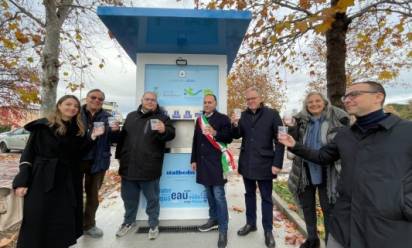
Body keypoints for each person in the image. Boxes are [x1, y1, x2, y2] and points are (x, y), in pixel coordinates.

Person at [278, 81, 412, 248]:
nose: (347, 99)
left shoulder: (406, 132)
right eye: (345, 96)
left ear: (378, 97)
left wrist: (401, 206)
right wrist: (295, 145)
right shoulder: (345, 135)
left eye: (354, 94)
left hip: (387, 231)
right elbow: (321, 156)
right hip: (343, 226)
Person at [12, 95, 104, 248]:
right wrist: (22, 180)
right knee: (37, 216)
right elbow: (28, 154)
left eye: (75, 106)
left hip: (68, 180)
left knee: (62, 218)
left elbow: (78, 153)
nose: (72, 108)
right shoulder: (42, 126)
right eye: (68, 104)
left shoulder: (77, 129)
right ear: (59, 106)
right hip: (42, 178)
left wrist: (92, 137)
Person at [286, 92, 349, 248]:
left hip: (328, 171)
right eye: (310, 102)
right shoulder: (300, 121)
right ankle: (312, 239)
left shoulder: (337, 119)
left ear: (324, 102)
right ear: (306, 105)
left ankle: (330, 242)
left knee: (329, 210)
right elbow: (293, 144)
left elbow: (339, 148)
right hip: (305, 171)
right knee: (307, 207)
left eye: (317, 101)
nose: (314, 104)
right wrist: (291, 128)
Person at [115, 91, 175, 239]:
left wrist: (164, 130)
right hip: (128, 166)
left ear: (156, 102)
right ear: (142, 100)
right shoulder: (130, 116)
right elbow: (122, 139)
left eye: (153, 100)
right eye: (147, 99)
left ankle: (153, 224)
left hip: (150, 167)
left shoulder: (163, 118)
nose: (150, 102)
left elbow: (171, 134)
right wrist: (118, 157)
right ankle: (128, 222)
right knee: (128, 198)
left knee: (153, 199)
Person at [231, 87, 285, 248]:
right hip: (247, 162)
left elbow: (280, 139)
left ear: (260, 98)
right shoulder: (243, 115)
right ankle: (251, 223)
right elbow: (237, 135)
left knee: (266, 198)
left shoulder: (272, 114)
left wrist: (277, 163)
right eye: (248, 99)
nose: (250, 101)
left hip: (266, 164)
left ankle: (268, 230)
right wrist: (234, 124)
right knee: (249, 195)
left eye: (253, 98)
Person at [191, 94, 234, 248]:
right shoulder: (199, 119)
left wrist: (215, 133)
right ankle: (213, 219)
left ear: (215, 103)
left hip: (216, 163)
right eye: (205, 102)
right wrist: (193, 159)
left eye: (210, 102)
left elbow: (229, 137)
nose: (207, 104)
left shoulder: (223, 118)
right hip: (202, 163)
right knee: (209, 194)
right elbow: (195, 140)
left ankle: (223, 229)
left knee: (219, 196)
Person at [80, 89, 120, 238]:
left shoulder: (107, 117)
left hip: (98, 161)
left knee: (92, 195)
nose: (97, 100)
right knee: (73, 194)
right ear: (87, 98)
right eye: (94, 97)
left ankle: (89, 225)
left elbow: (115, 140)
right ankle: (73, 223)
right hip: (77, 160)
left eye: (100, 99)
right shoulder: (76, 114)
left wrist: (116, 131)